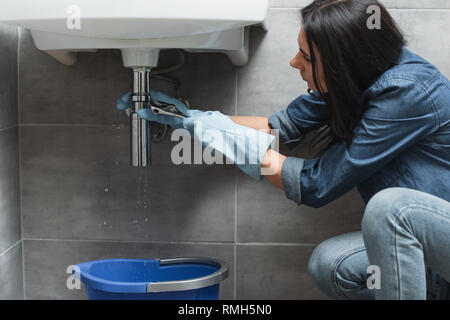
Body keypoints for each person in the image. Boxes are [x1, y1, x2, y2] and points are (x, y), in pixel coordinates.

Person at [116, 0, 450, 300]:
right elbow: (278, 128)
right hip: (420, 249)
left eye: (306, 57)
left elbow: (316, 184)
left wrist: (243, 147)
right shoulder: (356, 78)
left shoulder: (407, 92)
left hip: (438, 235)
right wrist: (191, 118)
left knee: (390, 209)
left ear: (340, 62)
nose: (294, 63)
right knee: (330, 265)